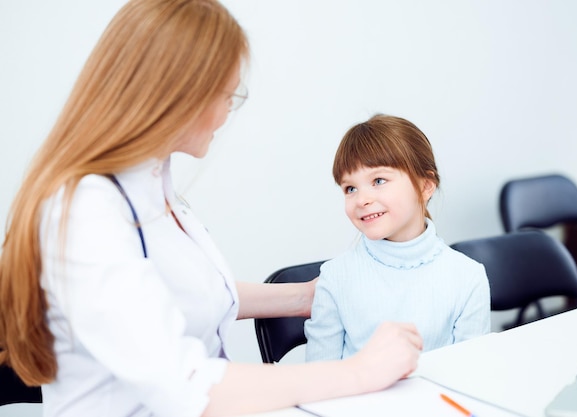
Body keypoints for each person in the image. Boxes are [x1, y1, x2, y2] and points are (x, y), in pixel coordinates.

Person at [0, 2, 423, 416]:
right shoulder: (83, 211)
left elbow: (187, 293)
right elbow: (190, 387)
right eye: (227, 96)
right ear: (179, 95)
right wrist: (360, 371)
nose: (226, 112)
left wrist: (307, 296)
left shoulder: (154, 188)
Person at [304, 114, 491, 362]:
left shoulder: (467, 277)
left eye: (378, 180)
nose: (362, 200)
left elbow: (471, 373)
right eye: (350, 188)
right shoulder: (335, 278)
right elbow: (320, 379)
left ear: (425, 186)